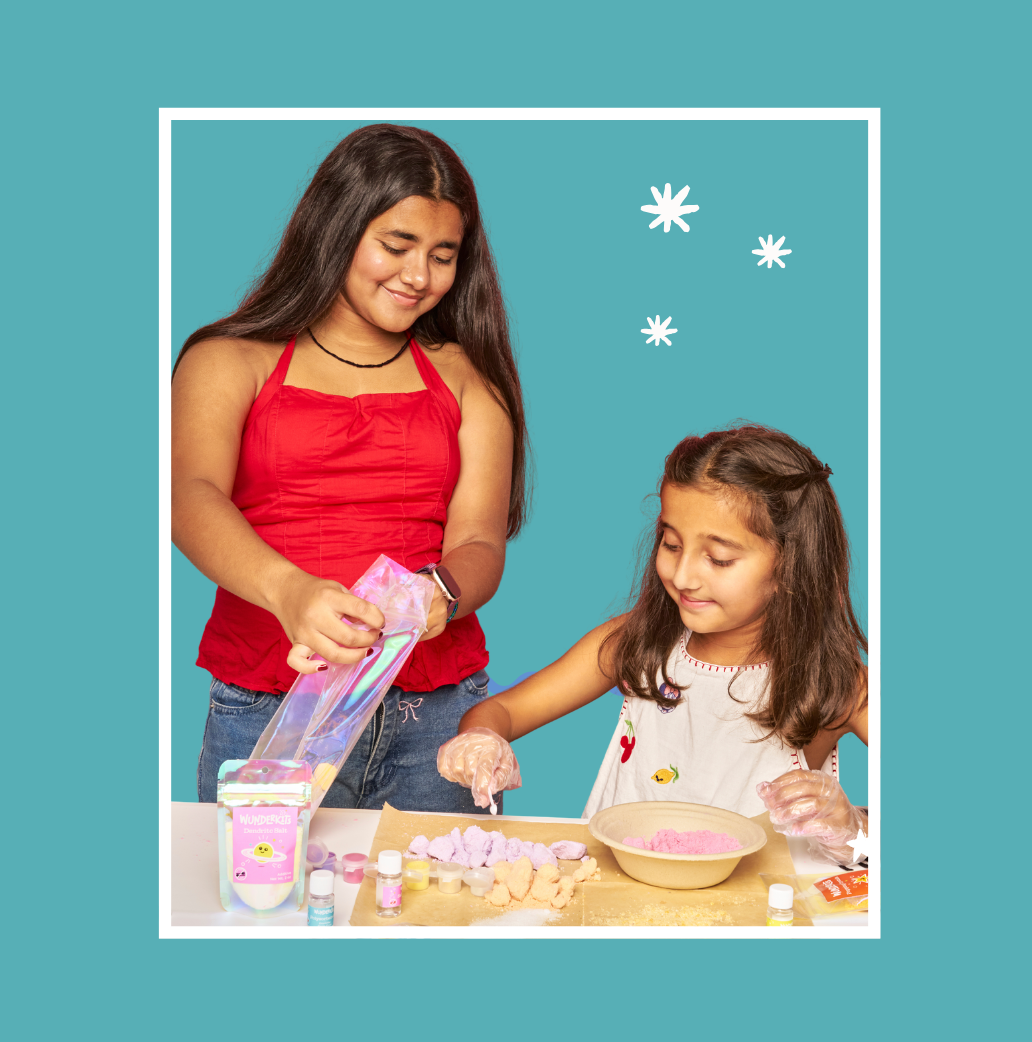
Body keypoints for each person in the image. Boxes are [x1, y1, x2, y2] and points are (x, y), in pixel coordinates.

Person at [172, 123, 528, 812]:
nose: (419, 275)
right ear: (335, 227)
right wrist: (289, 592)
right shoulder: (227, 360)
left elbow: (481, 542)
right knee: (260, 910)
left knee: (441, 909)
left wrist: (442, 594)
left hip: (434, 716)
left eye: (443, 255)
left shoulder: (465, 379)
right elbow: (189, 499)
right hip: (267, 708)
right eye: (396, 246)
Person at [437, 425, 869, 867]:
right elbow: (501, 712)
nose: (682, 577)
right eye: (672, 543)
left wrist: (854, 827)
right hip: (614, 905)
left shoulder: (835, 682)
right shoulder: (637, 642)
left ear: (792, 564)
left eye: (719, 559)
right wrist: (482, 740)